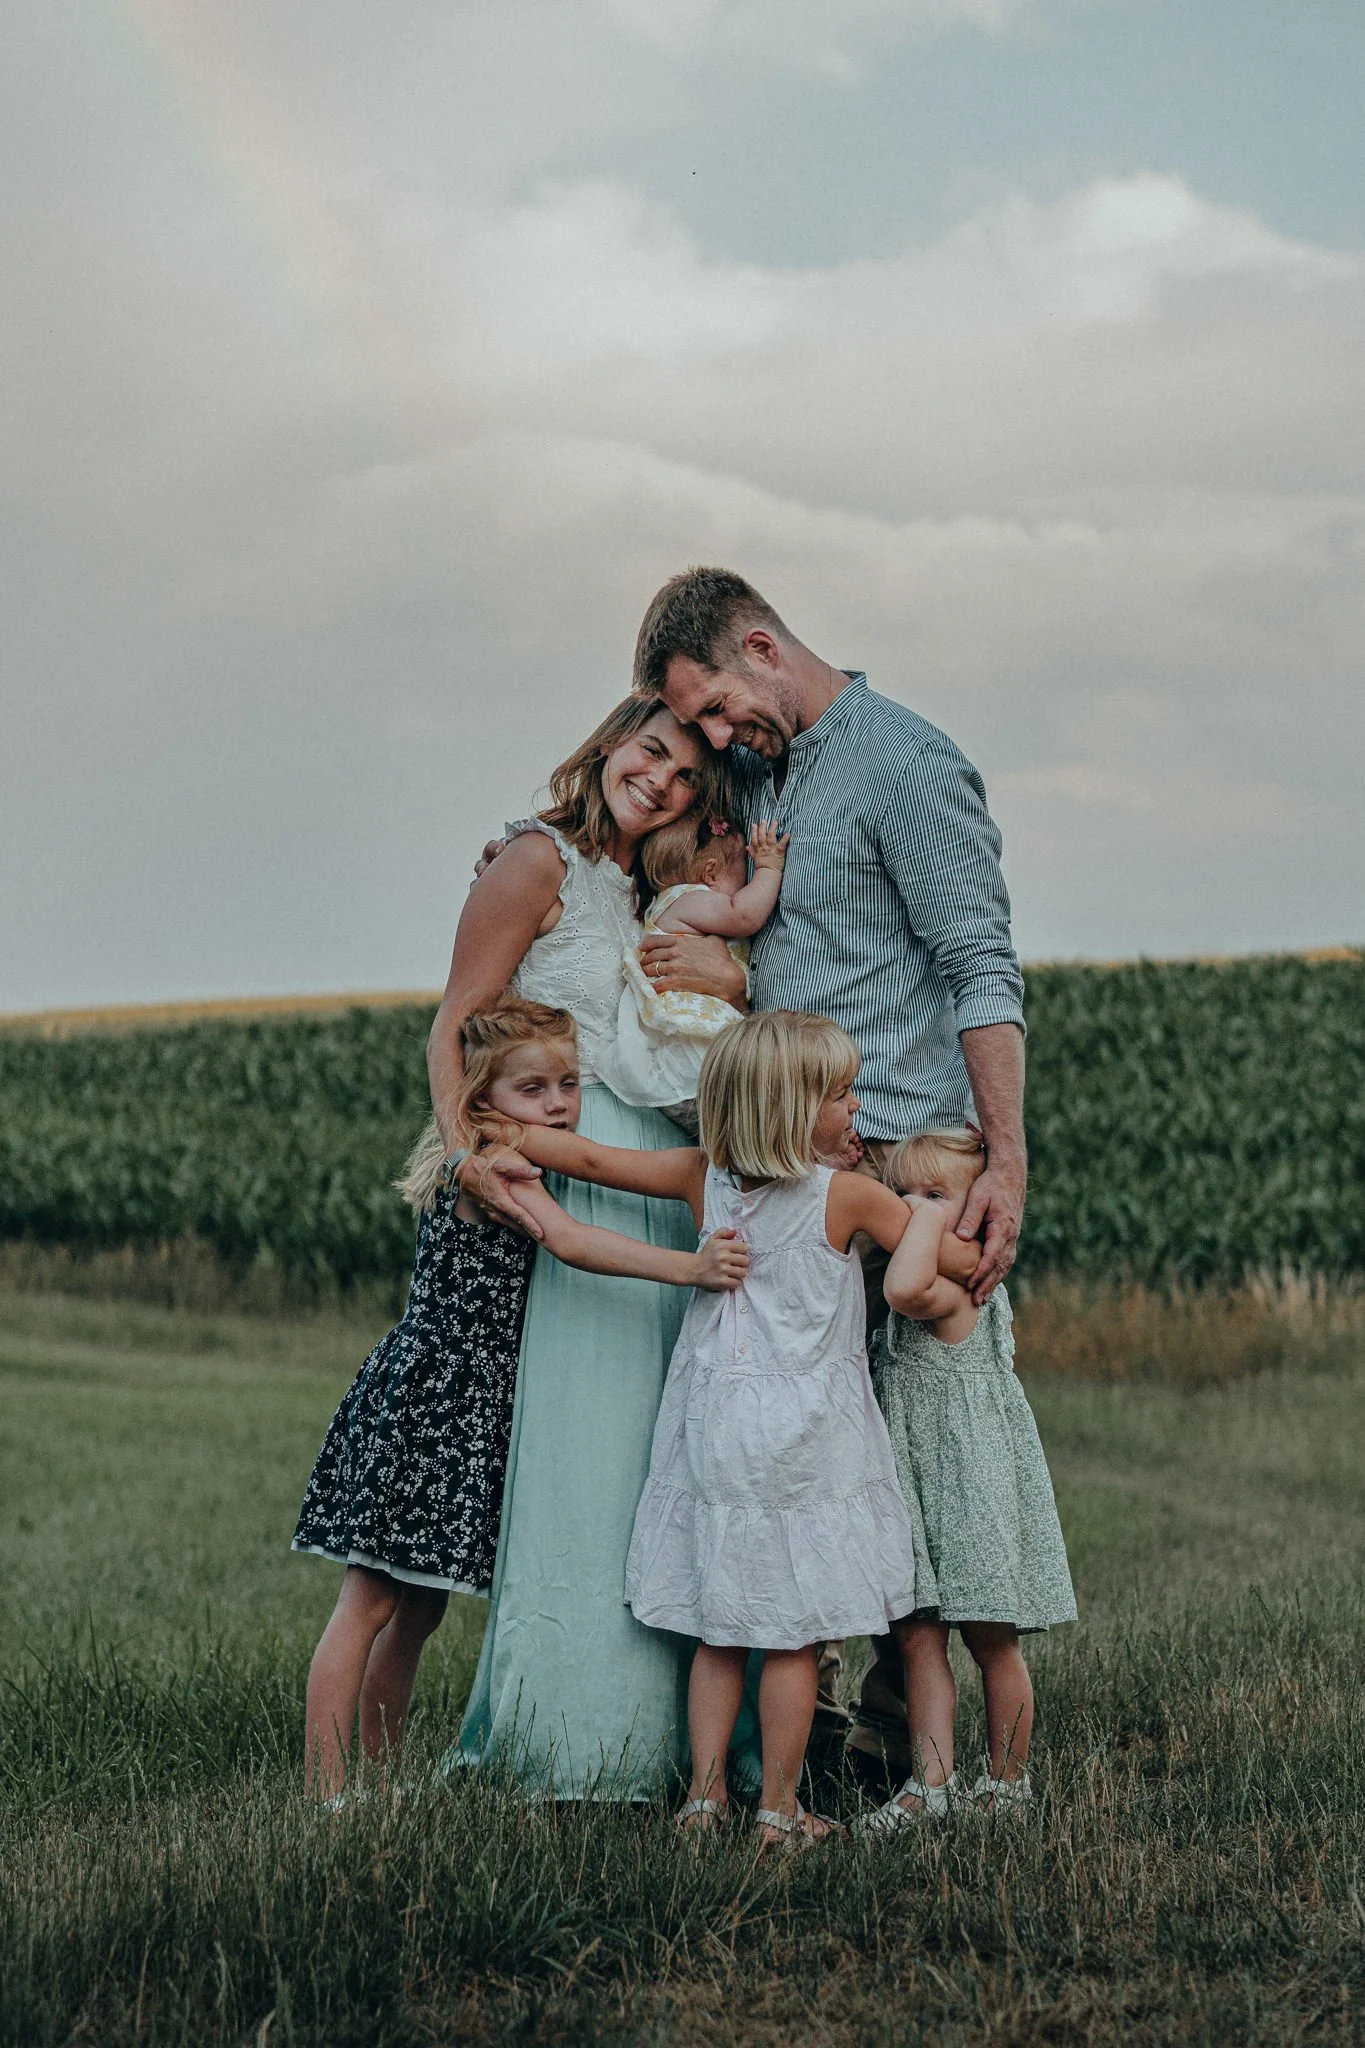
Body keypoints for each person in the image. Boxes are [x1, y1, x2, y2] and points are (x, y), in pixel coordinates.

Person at [630, 565, 1029, 1759]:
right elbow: (632, 792)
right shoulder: (756, 770)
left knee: (920, 1452)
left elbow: (980, 967)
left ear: (763, 643)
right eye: (695, 722)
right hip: (793, 1166)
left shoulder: (905, 765)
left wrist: (1003, 1161)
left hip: (907, 1161)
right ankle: (837, 1732)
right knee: (821, 1447)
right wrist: (527, 848)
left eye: (715, 707)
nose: (711, 739)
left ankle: (929, 1745)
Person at [507, 1011, 981, 1849]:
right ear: (793, 1111)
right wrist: (947, 1219)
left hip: (717, 1425)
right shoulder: (849, 1196)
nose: (854, 1107)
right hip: (808, 1436)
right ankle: (780, 1810)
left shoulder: (705, 1177)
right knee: (796, 1635)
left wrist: (494, 1129)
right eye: (840, 1094)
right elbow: (948, 1264)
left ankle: (703, 1799)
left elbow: (586, 1158)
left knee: (719, 1624)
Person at [294, 994, 748, 1799]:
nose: (559, 1104)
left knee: (418, 1610)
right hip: (433, 1406)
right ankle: (325, 1794)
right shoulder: (500, 1166)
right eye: (531, 1089)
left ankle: (377, 1777)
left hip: (460, 1405)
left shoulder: (503, 1152)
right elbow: (571, 1243)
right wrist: (688, 1267)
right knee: (368, 1602)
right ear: (478, 1099)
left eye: (568, 1083)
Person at [432, 696, 750, 1800]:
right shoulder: (534, 860)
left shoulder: (639, 887)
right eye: (652, 751)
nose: (660, 780)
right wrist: (469, 1149)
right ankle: (575, 1738)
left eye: (684, 778)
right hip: (582, 1164)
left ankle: (686, 1744)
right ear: (611, 740)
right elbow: (456, 1016)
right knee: (591, 1452)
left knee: (672, 1456)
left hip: (661, 1174)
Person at [858, 1128, 1076, 1833]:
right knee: (918, 1637)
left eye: (933, 1196)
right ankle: (931, 1785)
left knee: (990, 1640)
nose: (910, 1208)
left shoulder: (952, 1288)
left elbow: (902, 1283)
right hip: (913, 1483)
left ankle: (1007, 1782)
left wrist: (911, 1223)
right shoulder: (927, 1272)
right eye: (899, 1194)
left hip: (969, 1487)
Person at [601, 813, 788, 1123]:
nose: (747, 881)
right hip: (694, 1047)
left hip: (686, 1056)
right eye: (744, 870)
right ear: (710, 873)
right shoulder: (688, 898)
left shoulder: (667, 903)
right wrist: (769, 869)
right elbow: (745, 915)